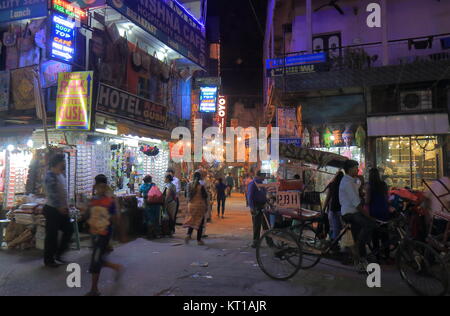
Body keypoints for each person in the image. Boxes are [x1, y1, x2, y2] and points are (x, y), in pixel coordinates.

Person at [85, 183, 123, 296]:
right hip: (94, 233)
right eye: (97, 187)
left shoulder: (109, 201)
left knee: (95, 261)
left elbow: (116, 218)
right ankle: (116, 267)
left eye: (102, 187)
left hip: (103, 234)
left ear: (105, 188)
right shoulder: (93, 200)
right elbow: (88, 215)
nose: (99, 189)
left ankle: (94, 289)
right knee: (98, 259)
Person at [339, 160, 377, 272]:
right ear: (350, 169)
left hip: (354, 211)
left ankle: (360, 257)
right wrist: (369, 217)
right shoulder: (348, 183)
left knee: (360, 234)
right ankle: (359, 249)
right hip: (349, 213)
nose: (358, 170)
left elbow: (359, 192)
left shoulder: (351, 180)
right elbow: (357, 204)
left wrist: (360, 184)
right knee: (369, 225)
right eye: (356, 168)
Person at [43, 154, 74, 268]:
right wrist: (59, 206)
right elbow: (52, 194)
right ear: (57, 163)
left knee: (69, 230)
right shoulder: (50, 176)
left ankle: (59, 254)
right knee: (52, 235)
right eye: (62, 162)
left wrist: (66, 205)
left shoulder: (61, 174)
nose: (64, 164)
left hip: (61, 209)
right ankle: (49, 260)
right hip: (52, 209)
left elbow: (63, 192)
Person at [365, 168, 391, 262]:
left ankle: (377, 256)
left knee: (375, 235)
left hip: (374, 212)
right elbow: (387, 198)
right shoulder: (384, 184)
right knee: (385, 235)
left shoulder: (369, 186)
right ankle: (387, 255)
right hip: (384, 211)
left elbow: (367, 201)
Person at [184, 172, 208, 245]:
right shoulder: (201, 186)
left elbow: (186, 195)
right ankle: (199, 240)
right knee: (200, 222)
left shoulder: (188, 185)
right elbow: (205, 197)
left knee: (192, 220)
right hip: (200, 205)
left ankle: (188, 235)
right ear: (200, 177)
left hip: (191, 205)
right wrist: (207, 206)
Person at [247, 171, 269, 248]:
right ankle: (255, 242)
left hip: (263, 205)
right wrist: (252, 207)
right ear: (260, 176)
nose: (264, 178)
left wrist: (267, 202)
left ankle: (269, 241)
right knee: (257, 225)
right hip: (256, 206)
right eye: (264, 176)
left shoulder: (261, 184)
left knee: (266, 224)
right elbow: (249, 196)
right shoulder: (253, 184)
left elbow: (264, 194)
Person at [325, 171, 344, 241]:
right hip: (341, 209)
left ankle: (333, 243)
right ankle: (336, 243)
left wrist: (323, 208)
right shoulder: (343, 185)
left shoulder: (332, 184)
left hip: (332, 209)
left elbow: (328, 198)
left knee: (334, 227)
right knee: (342, 228)